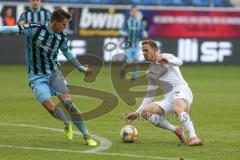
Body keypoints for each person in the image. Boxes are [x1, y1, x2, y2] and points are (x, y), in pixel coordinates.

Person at [0, 8, 97, 146]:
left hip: (54, 73)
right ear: (55, 22)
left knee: (68, 103)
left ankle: (87, 136)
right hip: (36, 77)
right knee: (51, 107)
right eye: (63, 24)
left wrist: (81, 68)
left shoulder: (62, 37)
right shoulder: (34, 29)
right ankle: (66, 122)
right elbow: (10, 28)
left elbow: (68, 53)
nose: (65, 27)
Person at [125, 39, 202, 146]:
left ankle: (193, 137)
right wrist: (137, 113)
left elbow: (180, 62)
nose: (144, 53)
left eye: (146, 50)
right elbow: (149, 95)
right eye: (142, 51)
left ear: (155, 50)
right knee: (146, 113)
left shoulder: (166, 56)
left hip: (182, 91)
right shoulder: (150, 72)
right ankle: (176, 130)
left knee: (177, 107)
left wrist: (168, 61)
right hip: (170, 98)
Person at [119, 5, 148, 81]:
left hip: (136, 45)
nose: (134, 13)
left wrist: (145, 33)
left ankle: (133, 77)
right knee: (130, 61)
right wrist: (123, 33)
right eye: (132, 11)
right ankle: (123, 69)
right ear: (130, 12)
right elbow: (120, 30)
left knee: (136, 62)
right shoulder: (127, 22)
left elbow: (142, 31)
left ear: (137, 12)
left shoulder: (139, 22)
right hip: (128, 45)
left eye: (135, 11)